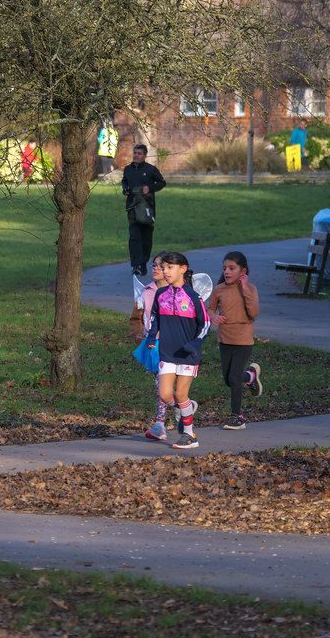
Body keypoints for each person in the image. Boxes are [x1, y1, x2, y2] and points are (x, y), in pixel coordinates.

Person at [145, 251, 209, 450]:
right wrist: (151, 336)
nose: (165, 271)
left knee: (181, 394)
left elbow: (205, 324)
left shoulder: (193, 297)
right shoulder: (161, 295)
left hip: (188, 355)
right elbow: (155, 317)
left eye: (169, 267)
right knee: (165, 395)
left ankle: (189, 436)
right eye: (163, 268)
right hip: (167, 353)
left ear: (183, 269)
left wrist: (195, 344)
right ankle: (187, 407)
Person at [207, 251, 263, 431]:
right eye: (224, 268)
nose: (227, 272)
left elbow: (253, 313)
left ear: (243, 271)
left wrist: (245, 289)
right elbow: (210, 309)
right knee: (229, 380)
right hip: (225, 339)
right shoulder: (219, 289)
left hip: (244, 340)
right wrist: (213, 317)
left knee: (234, 377)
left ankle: (236, 417)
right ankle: (250, 376)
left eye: (232, 268)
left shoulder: (251, 289)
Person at [133, 253, 174, 441]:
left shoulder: (177, 292)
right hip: (151, 344)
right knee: (159, 384)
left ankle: (181, 407)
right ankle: (161, 423)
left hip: (171, 344)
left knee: (161, 384)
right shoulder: (146, 291)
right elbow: (136, 316)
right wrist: (138, 333)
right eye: (154, 265)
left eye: (161, 266)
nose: (155, 268)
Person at [121, 144, 166, 276]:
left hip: (147, 209)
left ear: (145, 156)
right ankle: (136, 265)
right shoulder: (128, 169)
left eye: (139, 153)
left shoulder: (151, 170)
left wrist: (150, 188)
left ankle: (143, 263)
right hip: (133, 208)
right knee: (134, 237)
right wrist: (125, 190)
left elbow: (162, 182)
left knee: (146, 238)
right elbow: (124, 181)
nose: (136, 155)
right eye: (135, 153)